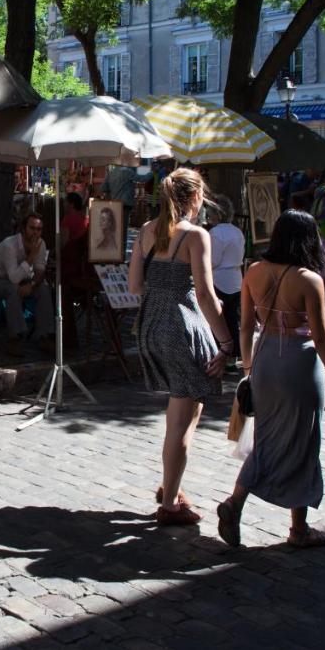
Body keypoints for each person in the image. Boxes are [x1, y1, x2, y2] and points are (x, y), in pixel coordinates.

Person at [214, 210, 325, 550]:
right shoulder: (309, 279)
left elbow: (246, 326)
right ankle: (298, 528)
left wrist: (249, 368)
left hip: (265, 362)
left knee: (265, 441)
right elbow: (323, 341)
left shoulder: (254, 271)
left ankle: (235, 503)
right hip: (298, 364)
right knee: (304, 443)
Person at [128, 168, 233, 526]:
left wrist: (160, 295)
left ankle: (170, 484)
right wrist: (227, 342)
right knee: (182, 420)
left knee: (186, 410)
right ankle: (170, 503)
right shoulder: (195, 236)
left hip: (151, 326)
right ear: (194, 198)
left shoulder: (146, 232)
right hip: (181, 328)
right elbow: (205, 295)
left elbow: (134, 285)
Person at [0, 213, 56, 357]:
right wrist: (30, 257)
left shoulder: (40, 244)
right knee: (13, 289)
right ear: (23, 228)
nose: (35, 232)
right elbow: (14, 278)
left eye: (39, 229)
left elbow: (40, 271)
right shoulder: (9, 245)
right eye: (32, 228)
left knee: (43, 288)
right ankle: (15, 337)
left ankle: (44, 336)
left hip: (20, 280)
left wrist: (33, 285)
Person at [207, 194, 245, 362]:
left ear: (217, 214)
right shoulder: (237, 231)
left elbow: (212, 261)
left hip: (219, 280)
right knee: (232, 319)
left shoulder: (215, 233)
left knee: (219, 321)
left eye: (210, 213)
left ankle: (222, 354)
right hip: (236, 279)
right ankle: (234, 355)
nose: (208, 216)